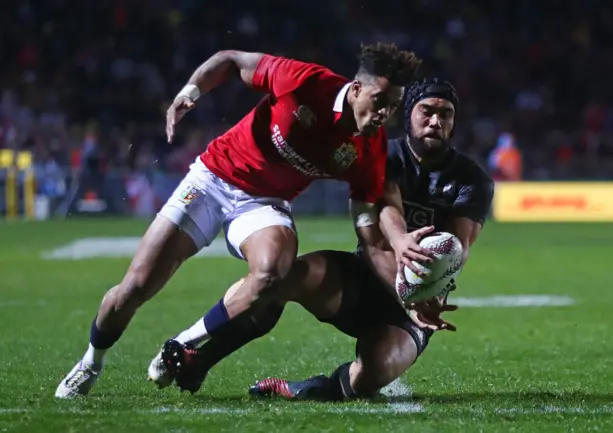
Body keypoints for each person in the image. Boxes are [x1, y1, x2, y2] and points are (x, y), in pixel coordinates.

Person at [55, 44, 425, 398]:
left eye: (392, 107)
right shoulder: (305, 81)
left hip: (263, 204)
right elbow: (230, 59)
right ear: (356, 89)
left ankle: (184, 342)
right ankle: (91, 361)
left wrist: (404, 285)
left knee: (272, 273)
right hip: (212, 180)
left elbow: (367, 218)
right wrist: (191, 91)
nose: (383, 115)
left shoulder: (370, 147)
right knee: (134, 288)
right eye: (379, 101)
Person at [148, 78, 495, 399]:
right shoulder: (377, 155)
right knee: (278, 279)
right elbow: (372, 243)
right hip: (365, 274)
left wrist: (426, 291)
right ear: (409, 115)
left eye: (445, 114)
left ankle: (296, 389)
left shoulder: (471, 179)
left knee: (373, 376)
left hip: (416, 305)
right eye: (427, 111)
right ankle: (199, 361)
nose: (436, 121)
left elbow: (457, 248)